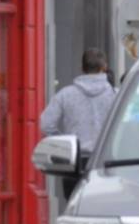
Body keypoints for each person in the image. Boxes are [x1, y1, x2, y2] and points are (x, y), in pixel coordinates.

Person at [40, 49, 117, 202]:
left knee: (76, 209)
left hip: (75, 164)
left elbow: (45, 124)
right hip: (106, 162)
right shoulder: (116, 95)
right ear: (105, 67)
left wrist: (65, 144)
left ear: (82, 68)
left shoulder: (65, 94)